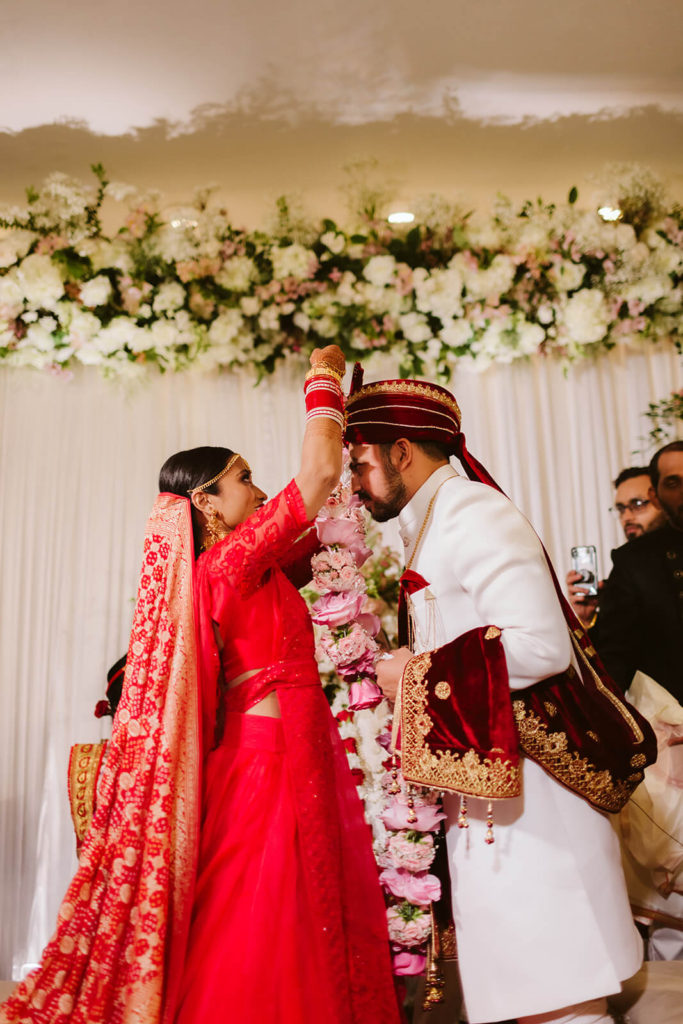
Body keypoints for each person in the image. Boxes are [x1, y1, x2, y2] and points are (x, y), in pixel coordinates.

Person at [1, 346, 401, 1024]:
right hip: (266, 762)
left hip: (290, 748)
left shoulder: (257, 564)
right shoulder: (229, 563)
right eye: (241, 478)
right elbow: (318, 473)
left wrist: (352, 422)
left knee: (298, 912)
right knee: (268, 920)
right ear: (205, 503)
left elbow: (329, 499)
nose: (259, 487)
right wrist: (321, 380)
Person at [345, 372, 652, 1024]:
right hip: (490, 789)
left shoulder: (473, 513)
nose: (352, 481)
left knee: (559, 1000)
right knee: (529, 995)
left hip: (532, 802)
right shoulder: (434, 521)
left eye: (361, 460)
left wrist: (416, 672)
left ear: (402, 451)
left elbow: (540, 645)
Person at [596, 440, 683, 704]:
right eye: (673, 483)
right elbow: (613, 662)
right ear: (656, 495)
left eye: (636, 504)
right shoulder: (634, 562)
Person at [566, 466, 666, 629]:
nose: (626, 517)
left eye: (638, 504)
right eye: (621, 509)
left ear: (660, 500)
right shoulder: (624, 572)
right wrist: (588, 619)